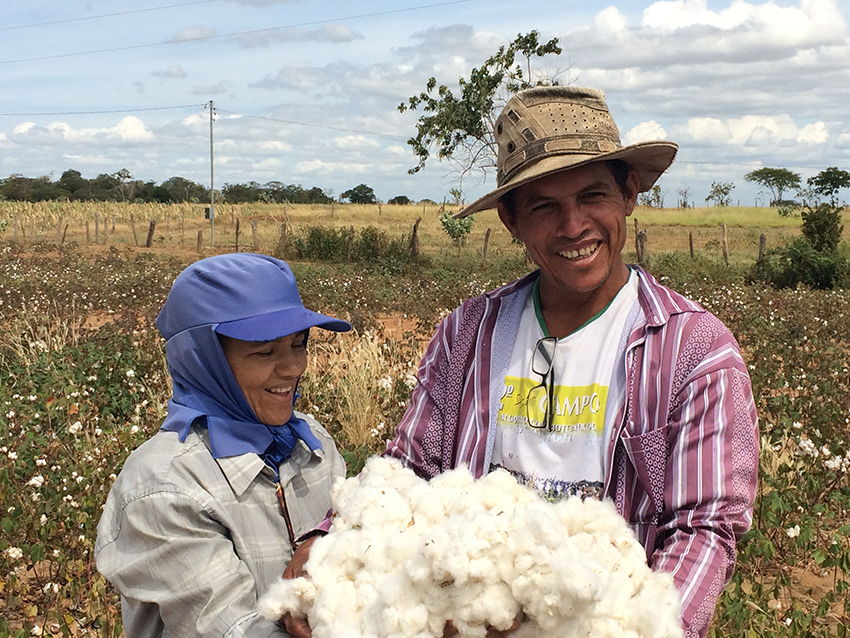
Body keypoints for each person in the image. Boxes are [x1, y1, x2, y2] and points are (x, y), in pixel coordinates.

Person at [288, 86, 759, 638]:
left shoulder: (693, 354)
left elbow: (703, 530)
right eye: (543, 207)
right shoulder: (468, 335)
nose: (573, 226)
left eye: (593, 196)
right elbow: (408, 471)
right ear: (511, 219)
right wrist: (328, 547)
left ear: (628, 193)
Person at [95, 253, 351, 638]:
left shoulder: (313, 445)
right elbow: (235, 630)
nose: (294, 368)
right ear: (204, 361)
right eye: (265, 352)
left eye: (298, 345)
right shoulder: (164, 489)